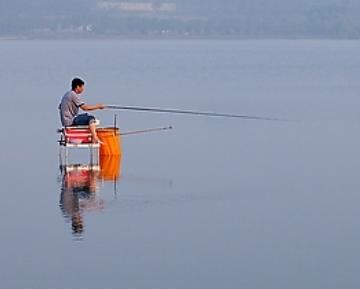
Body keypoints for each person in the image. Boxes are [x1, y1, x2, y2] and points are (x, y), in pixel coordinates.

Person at [58, 78, 105, 143]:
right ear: (77, 87)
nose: (83, 89)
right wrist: (98, 106)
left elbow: (60, 107)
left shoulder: (67, 94)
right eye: (82, 87)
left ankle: (94, 136)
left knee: (86, 116)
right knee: (91, 118)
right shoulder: (73, 95)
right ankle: (95, 137)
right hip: (71, 121)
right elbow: (85, 108)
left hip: (66, 121)